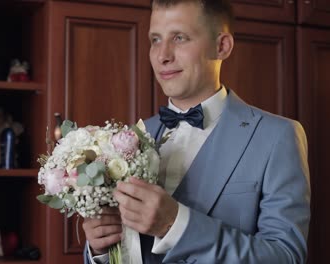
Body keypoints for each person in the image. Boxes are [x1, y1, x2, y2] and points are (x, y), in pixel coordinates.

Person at [82, 0, 311, 263]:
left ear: (221, 46)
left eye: (179, 37)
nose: (162, 55)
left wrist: (175, 225)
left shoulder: (278, 136)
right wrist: (99, 250)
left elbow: (286, 257)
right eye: (155, 39)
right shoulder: (132, 136)